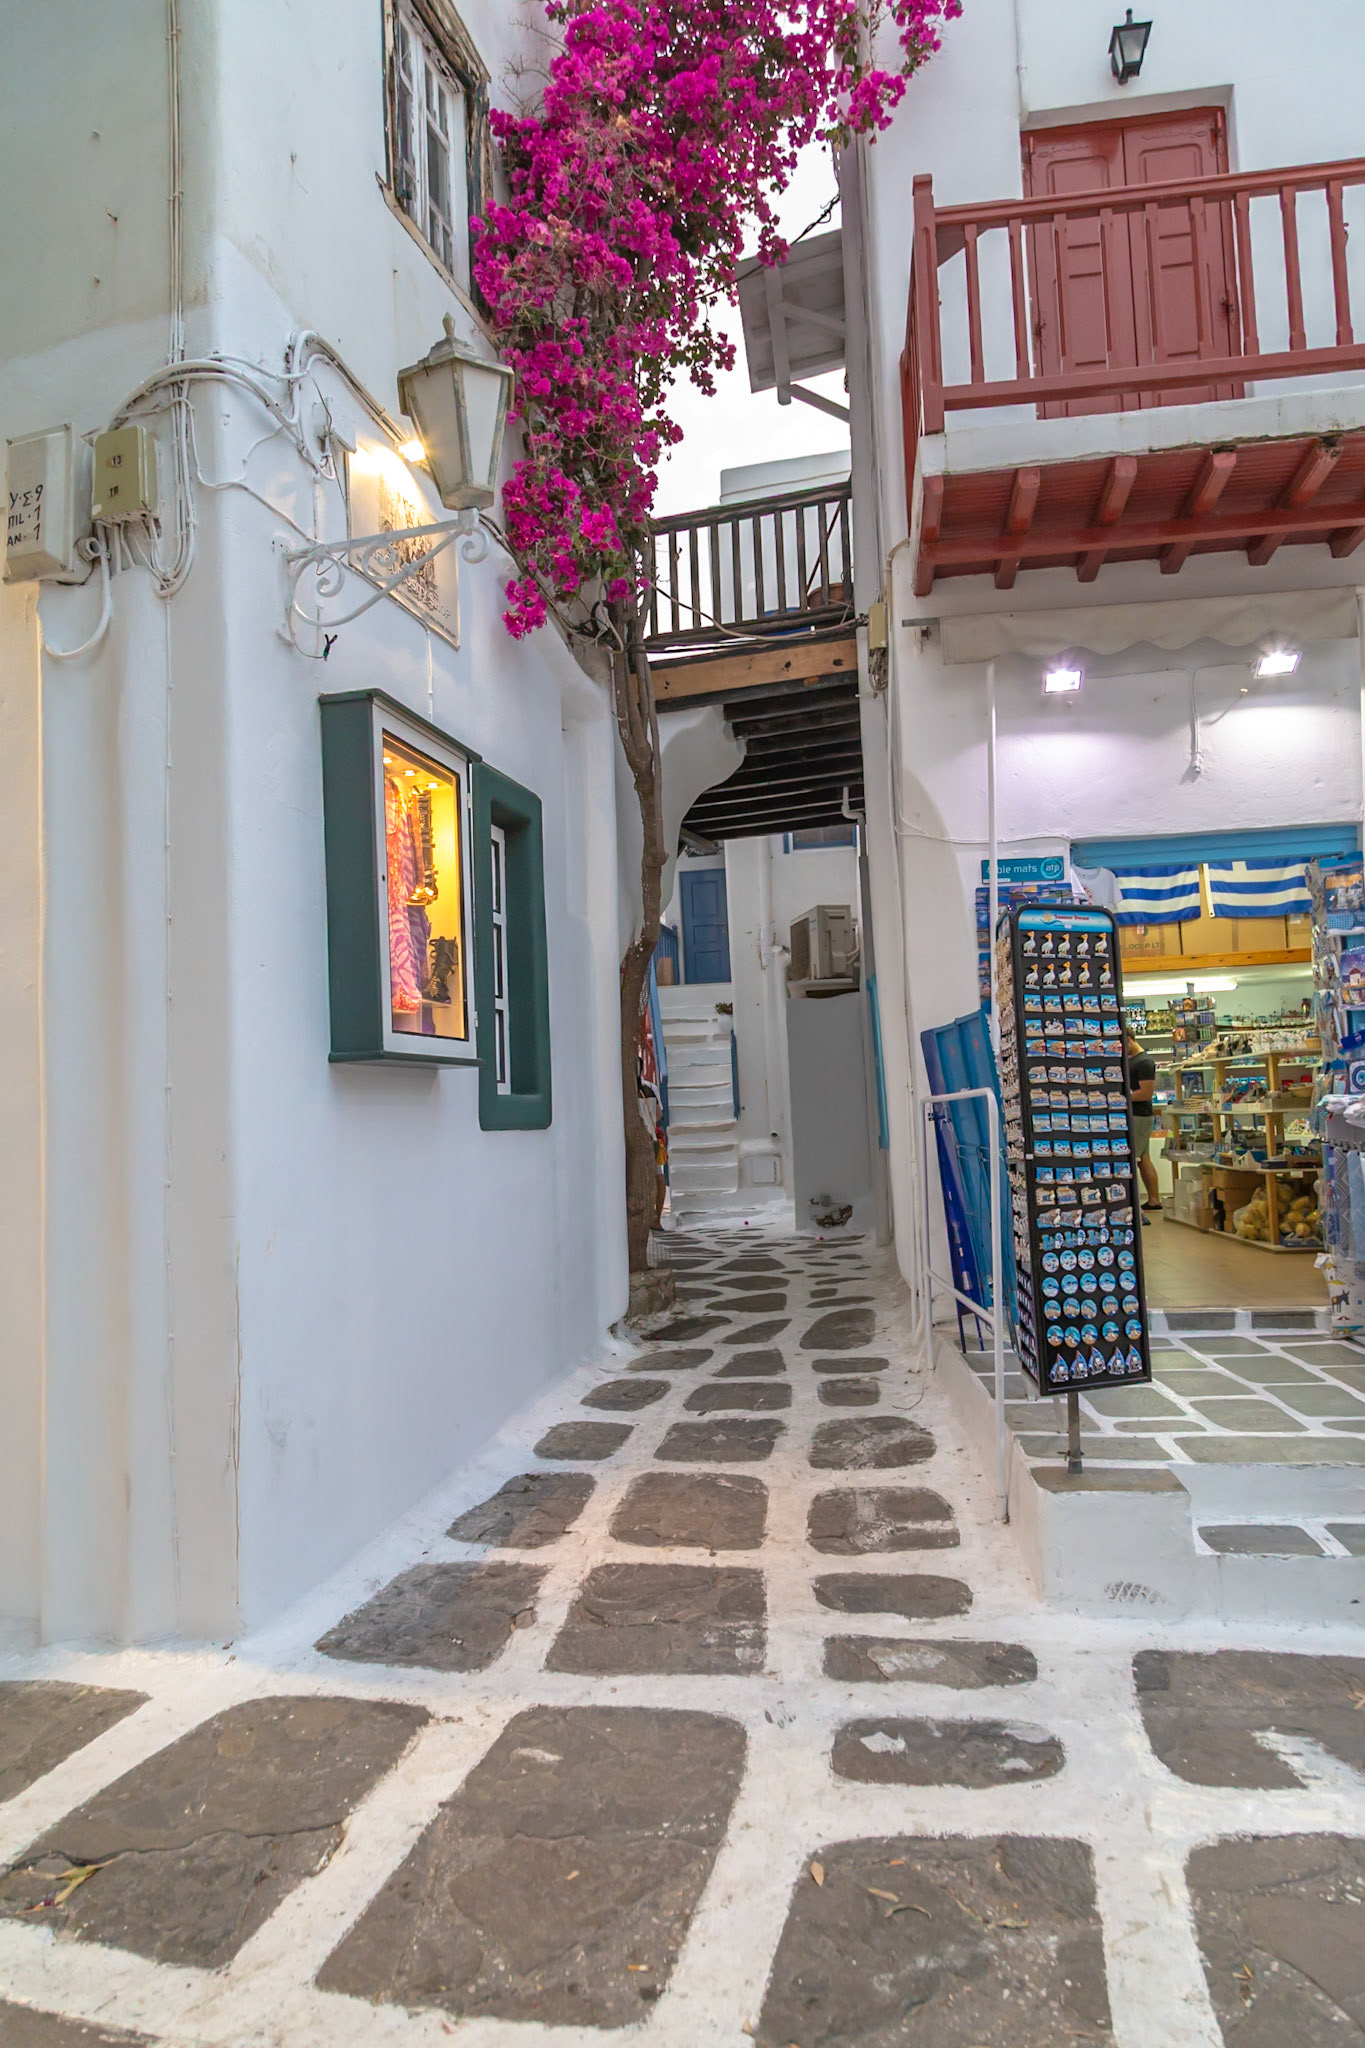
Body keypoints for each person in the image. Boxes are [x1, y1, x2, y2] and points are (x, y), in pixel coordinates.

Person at [1126, 1032, 1161, 1221]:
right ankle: (1154, 1199)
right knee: (1143, 1158)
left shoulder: (1144, 1062)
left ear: (1129, 1039)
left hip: (1140, 1116)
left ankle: (1133, 1205)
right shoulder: (1135, 1060)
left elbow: (1146, 1093)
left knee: (1133, 1158)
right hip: (1138, 1115)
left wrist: (1122, 1097)